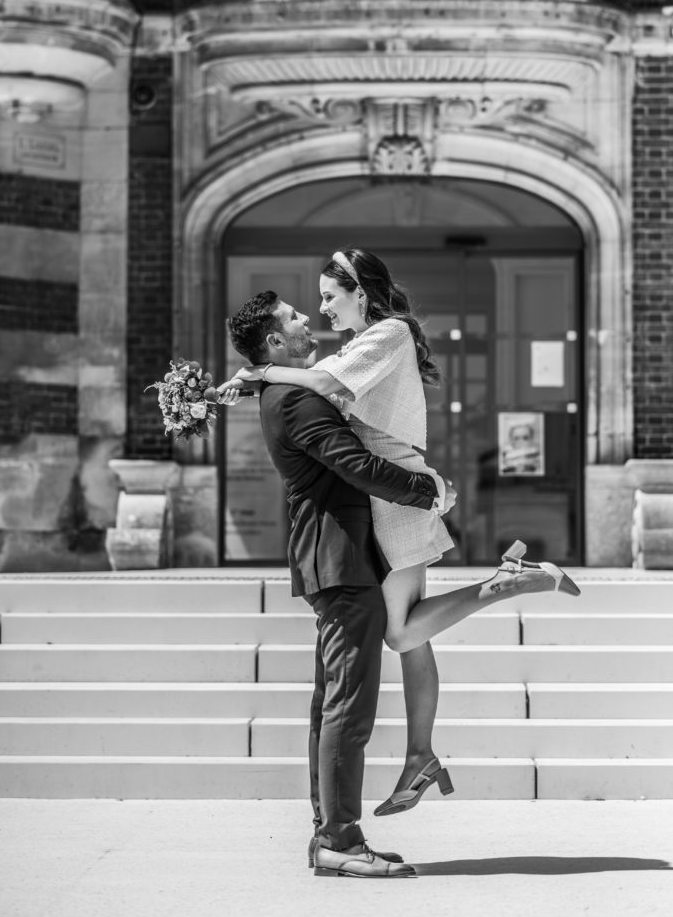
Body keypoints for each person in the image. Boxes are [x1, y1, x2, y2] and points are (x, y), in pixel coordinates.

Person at [219, 249, 580, 817]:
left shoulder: (388, 333)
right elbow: (317, 384)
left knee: (402, 632)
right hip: (389, 490)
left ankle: (510, 582)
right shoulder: (360, 344)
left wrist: (260, 373)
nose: (321, 308)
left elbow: (317, 381)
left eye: (329, 296)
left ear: (360, 293)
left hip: (396, 490)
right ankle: (420, 756)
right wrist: (238, 386)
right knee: (414, 634)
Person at [226, 290, 449, 878]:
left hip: (331, 561)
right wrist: (429, 490)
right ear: (276, 341)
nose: (307, 318)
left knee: (331, 707)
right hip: (341, 562)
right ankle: (340, 842)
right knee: (349, 710)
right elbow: (358, 466)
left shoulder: (284, 392)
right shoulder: (297, 401)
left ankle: (329, 833)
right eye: (293, 317)